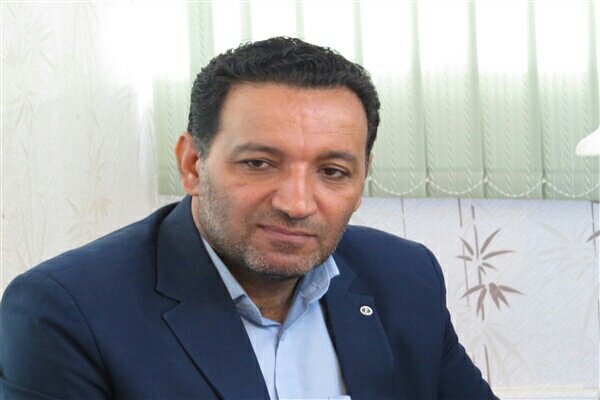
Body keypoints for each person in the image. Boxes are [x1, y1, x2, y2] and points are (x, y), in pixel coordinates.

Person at [1, 37, 498, 400]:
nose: (297, 203)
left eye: (332, 171)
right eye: (259, 163)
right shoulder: (66, 311)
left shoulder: (404, 277)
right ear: (192, 165)